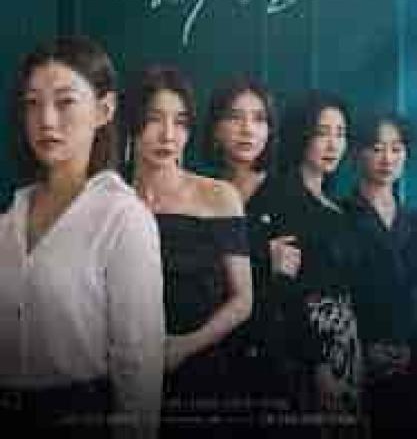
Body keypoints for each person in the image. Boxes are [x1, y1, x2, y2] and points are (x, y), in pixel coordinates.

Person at [0, 36, 164, 438]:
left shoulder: (123, 218)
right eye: (32, 103)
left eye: (65, 102)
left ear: (104, 110)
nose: (46, 120)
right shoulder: (10, 216)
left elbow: (139, 363)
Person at [123, 65, 252, 432]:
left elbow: (243, 300)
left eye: (180, 122)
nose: (168, 135)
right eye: (154, 119)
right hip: (123, 372)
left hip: (202, 370)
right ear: (131, 123)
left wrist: (184, 347)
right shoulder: (111, 198)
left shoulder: (218, 195)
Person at [203, 75, 304, 417]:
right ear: (216, 129)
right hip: (206, 352)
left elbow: (288, 282)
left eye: (259, 119)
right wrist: (262, 254)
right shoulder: (200, 191)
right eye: (235, 117)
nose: (248, 129)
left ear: (270, 131)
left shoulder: (288, 193)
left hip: (270, 358)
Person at [275, 91, 361, 422]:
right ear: (302, 135)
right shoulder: (284, 196)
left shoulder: (336, 207)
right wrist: (318, 363)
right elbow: (287, 291)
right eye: (322, 132)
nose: (333, 144)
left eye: (340, 133)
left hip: (345, 339)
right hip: (309, 343)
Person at [345, 113, 417, 432]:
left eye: (396, 149)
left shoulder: (413, 221)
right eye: (376, 148)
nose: (387, 159)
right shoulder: (339, 215)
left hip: (410, 358)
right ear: (357, 153)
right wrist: (363, 349)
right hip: (357, 360)